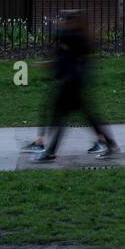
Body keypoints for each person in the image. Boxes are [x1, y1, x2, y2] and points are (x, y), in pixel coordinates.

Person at [26, 10, 118, 162]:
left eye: (67, 20)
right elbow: (61, 57)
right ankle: (110, 144)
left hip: (72, 83)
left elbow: (59, 35)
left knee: (61, 117)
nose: (63, 22)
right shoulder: (76, 38)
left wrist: (60, 24)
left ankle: (50, 151)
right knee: (87, 117)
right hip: (73, 82)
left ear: (74, 22)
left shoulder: (77, 36)